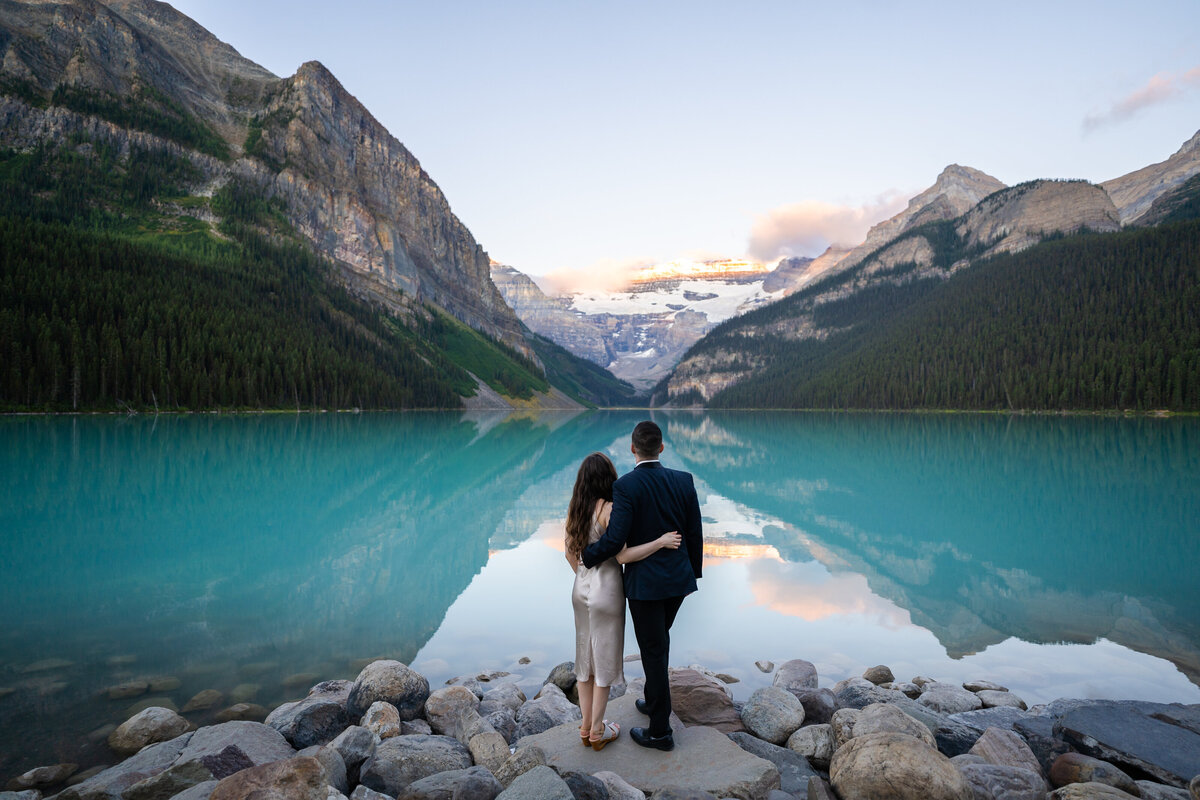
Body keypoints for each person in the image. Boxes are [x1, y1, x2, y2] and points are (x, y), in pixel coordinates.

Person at [582, 420, 703, 751]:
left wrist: (586, 556)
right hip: (678, 581)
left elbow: (615, 540)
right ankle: (653, 702)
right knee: (658, 644)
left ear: (633, 448)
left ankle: (660, 732)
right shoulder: (684, 480)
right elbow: (694, 532)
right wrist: (692, 572)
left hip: (645, 586)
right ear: (661, 448)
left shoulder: (626, 487)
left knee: (653, 650)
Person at [564, 452, 682, 751]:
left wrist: (584, 579)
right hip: (608, 591)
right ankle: (598, 730)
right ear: (608, 477)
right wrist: (660, 542)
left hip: (580, 590)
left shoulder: (575, 509)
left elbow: (569, 554)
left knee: (584, 658)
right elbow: (623, 555)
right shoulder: (610, 509)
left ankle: (585, 726)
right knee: (603, 660)